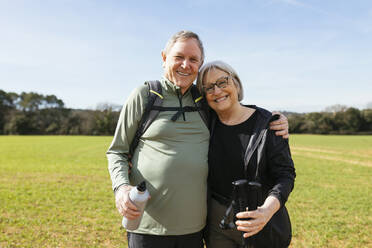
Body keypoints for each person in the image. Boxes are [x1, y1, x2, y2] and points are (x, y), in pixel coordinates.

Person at [106, 31, 289, 248]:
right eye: (179, 57)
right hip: (147, 224)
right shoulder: (144, 96)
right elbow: (117, 151)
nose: (186, 65)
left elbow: (233, 110)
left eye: (193, 60)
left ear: (200, 64)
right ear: (164, 58)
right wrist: (121, 188)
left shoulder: (203, 101)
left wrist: (274, 118)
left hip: (194, 230)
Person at [196, 60, 296, 248]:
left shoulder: (268, 124)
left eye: (222, 82)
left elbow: (285, 175)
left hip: (262, 221)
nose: (217, 91)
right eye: (209, 87)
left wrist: (267, 210)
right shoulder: (205, 124)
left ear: (236, 83)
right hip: (219, 226)